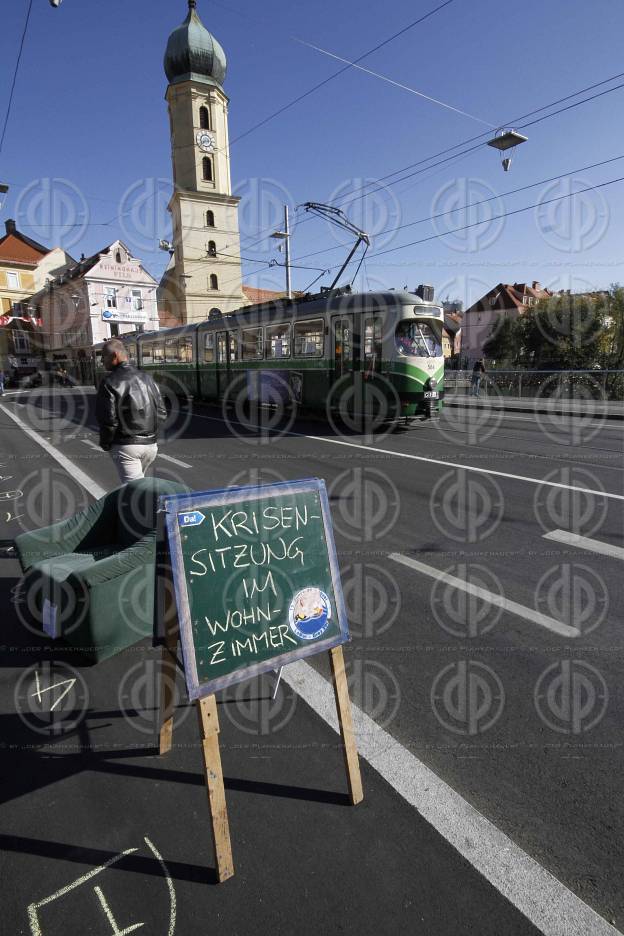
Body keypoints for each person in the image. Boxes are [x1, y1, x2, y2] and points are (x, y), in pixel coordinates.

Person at [96, 338, 167, 482]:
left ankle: (147, 504)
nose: (102, 361)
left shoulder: (109, 381)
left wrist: (106, 443)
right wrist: (151, 435)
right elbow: (161, 413)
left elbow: (108, 420)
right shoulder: (147, 378)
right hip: (150, 446)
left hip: (127, 446)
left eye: (103, 356)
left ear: (115, 356)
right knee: (140, 486)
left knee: (133, 491)